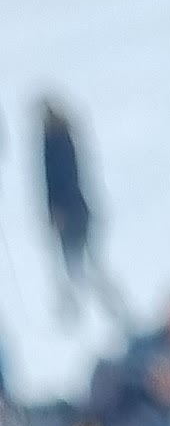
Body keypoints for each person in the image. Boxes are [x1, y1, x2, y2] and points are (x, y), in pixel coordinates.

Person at [37, 98, 127, 327]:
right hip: (78, 211)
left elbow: (58, 179)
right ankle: (98, 306)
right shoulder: (63, 137)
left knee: (76, 265)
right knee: (85, 263)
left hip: (70, 213)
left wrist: (56, 210)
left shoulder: (55, 140)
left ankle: (78, 311)